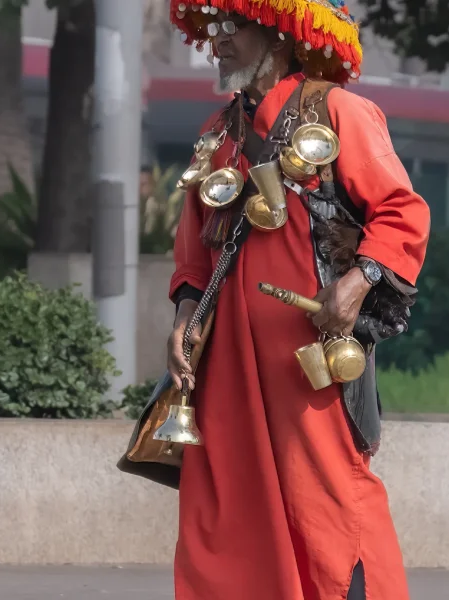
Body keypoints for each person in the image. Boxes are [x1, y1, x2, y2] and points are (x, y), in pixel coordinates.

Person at [139, 2, 430, 599]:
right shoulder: (218, 132)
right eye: (213, 27)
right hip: (227, 361)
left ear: (278, 36)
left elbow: (402, 214)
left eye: (233, 26)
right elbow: (194, 253)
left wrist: (357, 283)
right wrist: (185, 320)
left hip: (309, 357)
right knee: (224, 512)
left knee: (327, 504)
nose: (217, 41)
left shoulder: (340, 111)